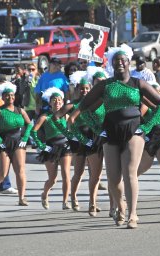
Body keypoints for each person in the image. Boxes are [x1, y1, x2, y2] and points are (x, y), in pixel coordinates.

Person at [70, 44, 160, 229]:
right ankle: (120, 206)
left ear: (128, 62)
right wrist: (97, 129)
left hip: (133, 131)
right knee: (113, 178)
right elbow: (83, 108)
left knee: (130, 173)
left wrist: (146, 126)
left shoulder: (138, 83)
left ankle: (133, 214)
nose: (120, 63)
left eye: (123, 60)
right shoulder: (105, 85)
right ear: (112, 64)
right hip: (110, 132)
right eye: (117, 61)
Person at [54, 74, 107, 215]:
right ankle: (73, 198)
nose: (84, 91)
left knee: (95, 174)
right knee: (79, 172)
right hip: (78, 141)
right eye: (82, 89)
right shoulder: (73, 105)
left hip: (94, 138)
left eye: (87, 88)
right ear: (77, 89)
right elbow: (55, 118)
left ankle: (92, 202)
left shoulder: (96, 102)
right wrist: (69, 134)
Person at [0, 81, 32, 206]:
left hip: (18, 142)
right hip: (2, 143)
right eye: (7, 96)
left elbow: (29, 124)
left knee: (20, 170)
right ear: (3, 97)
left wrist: (25, 137)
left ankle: (21, 198)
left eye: (12, 95)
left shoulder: (20, 110)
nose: (10, 98)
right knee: (2, 173)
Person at [31, 88, 72, 210]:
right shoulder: (45, 117)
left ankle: (65, 202)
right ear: (50, 103)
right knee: (53, 179)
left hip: (64, 146)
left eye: (59, 100)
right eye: (54, 100)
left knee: (66, 174)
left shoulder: (66, 115)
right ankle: (44, 194)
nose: (57, 102)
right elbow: (33, 132)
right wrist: (41, 145)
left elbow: (73, 129)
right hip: (50, 148)